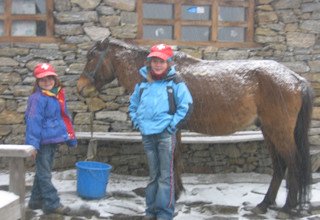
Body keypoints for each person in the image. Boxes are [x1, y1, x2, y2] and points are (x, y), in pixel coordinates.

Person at [129, 44, 193, 220]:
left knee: (166, 176)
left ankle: (164, 214)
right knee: (153, 176)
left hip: (165, 135)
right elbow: (133, 104)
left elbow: (186, 106)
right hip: (147, 135)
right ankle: (151, 212)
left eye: (161, 61)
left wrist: (171, 126)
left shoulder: (175, 83)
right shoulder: (143, 82)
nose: (157, 65)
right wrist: (137, 121)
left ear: (168, 63)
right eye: (154, 61)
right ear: (150, 62)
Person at [25, 63, 77, 215]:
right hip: (42, 142)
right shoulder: (37, 98)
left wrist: (69, 137)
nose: (47, 82)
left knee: (43, 172)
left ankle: (35, 201)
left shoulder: (57, 95)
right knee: (44, 174)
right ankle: (52, 203)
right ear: (37, 82)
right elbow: (33, 121)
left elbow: (64, 117)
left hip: (53, 140)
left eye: (49, 78)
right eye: (42, 80)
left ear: (55, 79)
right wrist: (33, 145)